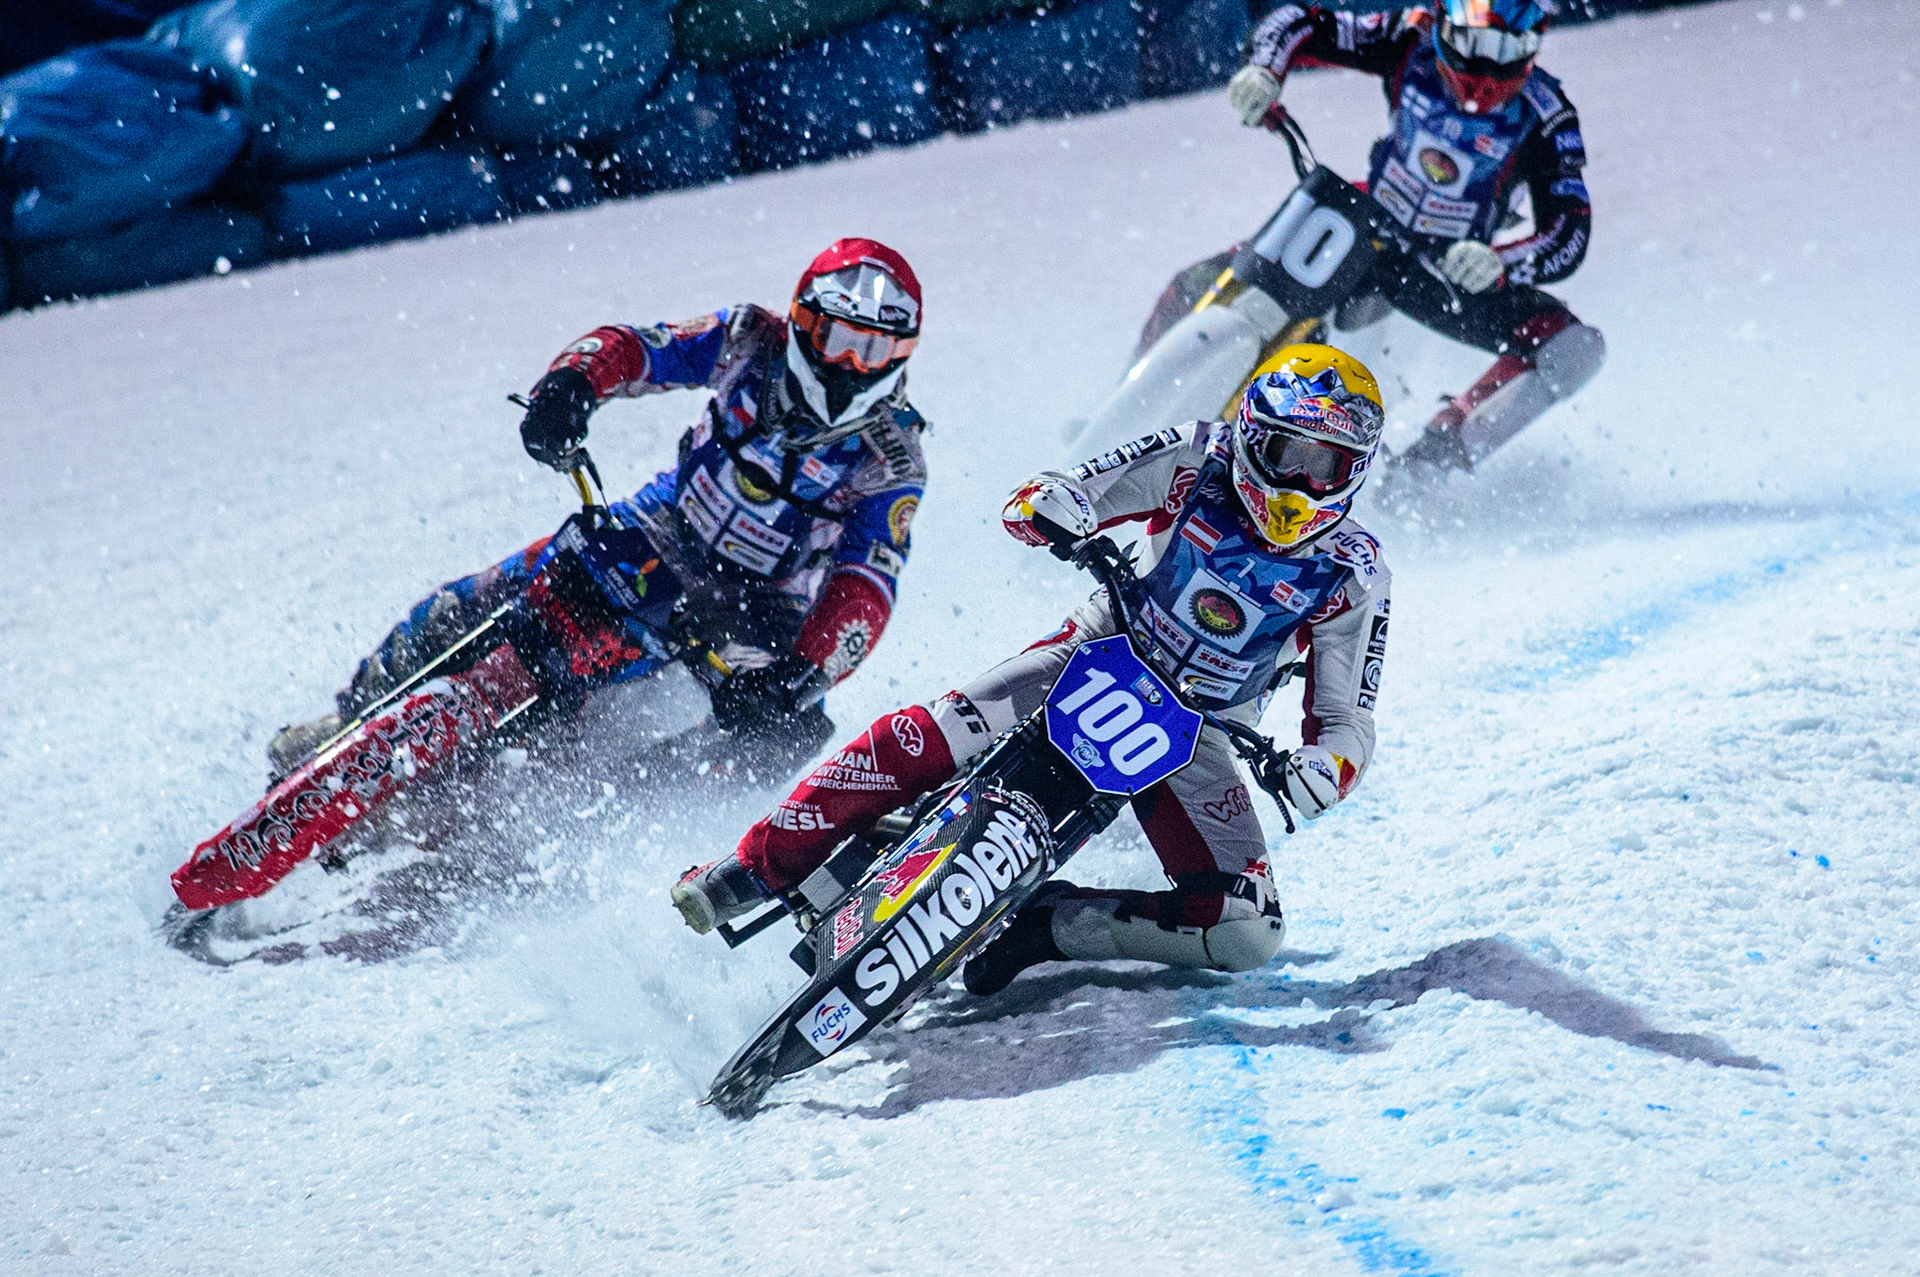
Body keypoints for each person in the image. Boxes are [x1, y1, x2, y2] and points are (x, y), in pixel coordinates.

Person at [675, 344, 1392, 996]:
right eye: (1284, 449)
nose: (1299, 481)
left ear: (1353, 470)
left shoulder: (1356, 572)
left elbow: (1347, 718)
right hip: (1097, 649)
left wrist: (1326, 768)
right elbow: (1071, 487)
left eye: (1324, 463)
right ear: (1248, 433)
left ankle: (1053, 926)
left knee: (1246, 928)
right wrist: (1055, 507)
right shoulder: (1194, 454)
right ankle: (756, 865)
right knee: (933, 733)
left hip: (1199, 731)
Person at [266, 238, 930, 780]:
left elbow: (865, 586)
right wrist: (571, 385)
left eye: (872, 350)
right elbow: (641, 347)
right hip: (662, 527)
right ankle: (352, 715)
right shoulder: (747, 338)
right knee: (482, 596)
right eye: (838, 338)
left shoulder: (891, 459)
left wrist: (802, 674)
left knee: (780, 732)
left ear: (900, 357)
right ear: (803, 321)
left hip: (761, 605)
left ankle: (606, 818)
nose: (849, 364)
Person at [1226, 0, 1604, 474]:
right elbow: (1301, 21)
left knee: (1573, 350)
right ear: (1445, 22)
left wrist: (1501, 264)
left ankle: (1431, 464)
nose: (1489, 67)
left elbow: (1569, 232)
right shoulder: (1409, 40)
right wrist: (1263, 69)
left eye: (1512, 47)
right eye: (1476, 43)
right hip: (1360, 222)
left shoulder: (1546, 115)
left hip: (1442, 272)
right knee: (1206, 281)